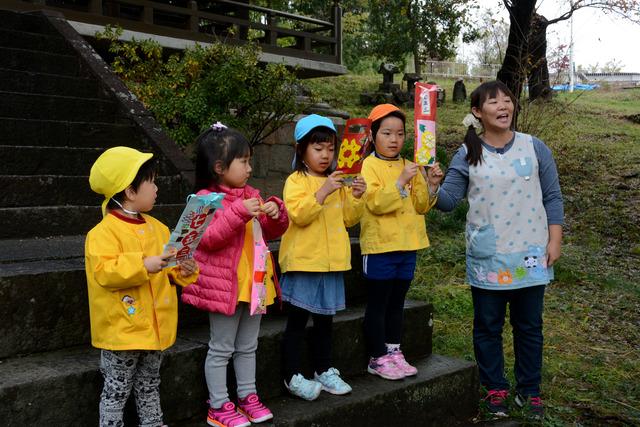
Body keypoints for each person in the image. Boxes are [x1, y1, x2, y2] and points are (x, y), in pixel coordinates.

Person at [436, 80, 564, 419]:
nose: (503, 106)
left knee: (529, 326)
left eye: (507, 100)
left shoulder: (535, 148)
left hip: (531, 253)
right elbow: (448, 202)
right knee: (488, 325)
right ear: (477, 112)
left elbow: (552, 196)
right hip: (488, 257)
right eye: (494, 102)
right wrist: (431, 183)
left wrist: (555, 240)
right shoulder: (467, 152)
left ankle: (530, 391)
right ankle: (495, 389)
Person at [181, 123, 289, 427]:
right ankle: (217, 404)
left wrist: (276, 212)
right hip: (225, 288)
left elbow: (272, 231)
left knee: (248, 346)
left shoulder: (251, 193)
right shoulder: (204, 199)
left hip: (253, 286)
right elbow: (210, 238)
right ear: (219, 167)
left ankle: (247, 397)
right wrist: (239, 212)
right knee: (221, 348)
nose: (250, 168)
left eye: (249, 161)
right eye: (243, 161)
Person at [85, 146, 199, 427]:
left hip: (155, 328)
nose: (157, 187)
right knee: (116, 389)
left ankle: (153, 422)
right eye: (151, 181)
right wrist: (142, 264)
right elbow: (104, 272)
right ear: (130, 191)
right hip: (122, 329)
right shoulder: (102, 233)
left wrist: (185, 269)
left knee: (149, 383)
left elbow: (169, 269)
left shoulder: (159, 228)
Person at [278, 114, 367, 400]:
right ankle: (291, 375)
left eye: (330, 148)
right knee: (298, 320)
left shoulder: (338, 181)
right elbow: (299, 215)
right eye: (318, 149)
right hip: (304, 262)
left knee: (325, 320)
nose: (325, 155)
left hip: (332, 263)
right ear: (301, 149)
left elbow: (349, 219)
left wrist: (356, 195)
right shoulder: (296, 180)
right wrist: (323, 191)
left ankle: (323, 369)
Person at [359, 104, 444, 380]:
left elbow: (421, 206)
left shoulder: (411, 164)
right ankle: (377, 356)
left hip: (408, 246)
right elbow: (374, 203)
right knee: (378, 303)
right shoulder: (367, 166)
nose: (394, 139)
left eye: (399, 133)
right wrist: (398, 183)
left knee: (398, 302)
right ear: (373, 137)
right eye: (386, 133)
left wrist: (431, 183)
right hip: (380, 246)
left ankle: (394, 351)